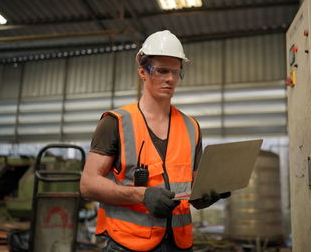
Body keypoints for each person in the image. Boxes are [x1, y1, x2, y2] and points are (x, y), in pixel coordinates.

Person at [80, 30, 230, 252]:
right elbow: (88, 184)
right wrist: (142, 195)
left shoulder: (192, 127)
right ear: (143, 71)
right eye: (161, 71)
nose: (170, 78)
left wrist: (205, 196)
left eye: (175, 72)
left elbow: (192, 189)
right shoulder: (115, 122)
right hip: (127, 243)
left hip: (179, 244)